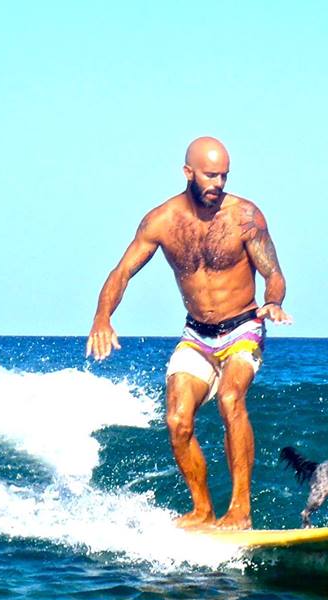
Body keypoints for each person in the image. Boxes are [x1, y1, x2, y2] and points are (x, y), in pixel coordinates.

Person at [86, 137, 292, 530]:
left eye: (224, 175)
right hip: (196, 335)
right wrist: (102, 317)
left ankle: (240, 511)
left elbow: (273, 272)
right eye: (210, 174)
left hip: (243, 328)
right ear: (188, 173)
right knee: (178, 421)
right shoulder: (161, 221)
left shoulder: (245, 216)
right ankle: (202, 510)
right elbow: (122, 271)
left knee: (231, 399)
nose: (218, 183)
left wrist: (274, 301)